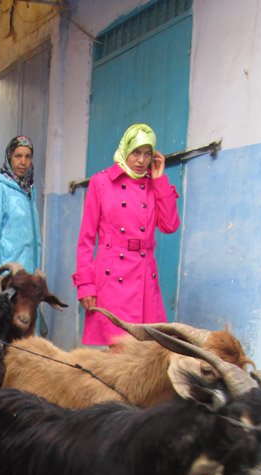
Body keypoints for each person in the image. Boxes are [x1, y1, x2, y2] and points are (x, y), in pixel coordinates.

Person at [73, 123, 181, 346]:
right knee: (119, 348)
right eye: (136, 153)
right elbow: (86, 239)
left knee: (147, 348)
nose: (141, 160)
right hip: (113, 276)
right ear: (125, 150)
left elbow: (169, 226)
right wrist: (85, 285)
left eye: (147, 154)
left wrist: (160, 180)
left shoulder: (153, 184)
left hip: (144, 274)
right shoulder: (101, 182)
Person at [0, 134, 42, 275]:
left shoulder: (30, 190)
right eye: (18, 156)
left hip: (28, 276)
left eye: (28, 157)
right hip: (7, 275)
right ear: (9, 157)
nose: (23, 162)